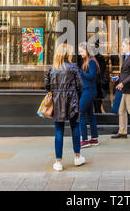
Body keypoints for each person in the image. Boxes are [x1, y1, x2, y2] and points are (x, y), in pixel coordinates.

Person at [45, 43, 85, 171]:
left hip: (57, 102)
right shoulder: (73, 68)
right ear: (67, 54)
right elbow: (80, 86)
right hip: (72, 101)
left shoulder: (52, 69)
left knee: (58, 131)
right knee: (75, 128)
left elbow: (47, 86)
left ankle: (58, 162)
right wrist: (74, 95)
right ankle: (77, 157)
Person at [78, 42, 100, 148]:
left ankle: (85, 140)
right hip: (88, 90)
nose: (80, 53)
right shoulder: (88, 61)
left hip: (89, 91)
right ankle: (94, 139)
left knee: (80, 113)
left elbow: (91, 76)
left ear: (87, 51)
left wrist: (80, 72)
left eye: (81, 51)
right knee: (90, 115)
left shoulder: (91, 62)